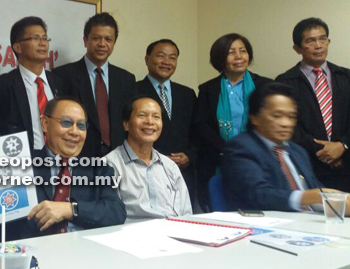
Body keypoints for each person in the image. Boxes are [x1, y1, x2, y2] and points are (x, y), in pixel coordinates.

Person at [222, 82, 350, 214]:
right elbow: (258, 195)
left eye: (291, 117)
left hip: (310, 221)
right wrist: (307, 197)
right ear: (255, 118)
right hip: (266, 225)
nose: (286, 123)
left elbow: (316, 189)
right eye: (277, 116)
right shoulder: (241, 147)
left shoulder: (298, 151)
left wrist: (338, 201)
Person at [24, 97, 126, 237]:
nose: (74, 132)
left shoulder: (98, 169)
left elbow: (116, 212)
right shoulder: (21, 165)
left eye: (81, 126)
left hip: (85, 252)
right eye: (66, 123)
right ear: (45, 124)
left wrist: (71, 209)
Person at [194, 33, 271, 211]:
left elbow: (269, 123)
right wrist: (225, 150)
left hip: (258, 159)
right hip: (218, 161)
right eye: (231, 52)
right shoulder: (208, 89)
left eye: (242, 51)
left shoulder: (265, 85)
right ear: (220, 58)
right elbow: (200, 125)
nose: (239, 57)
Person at [276, 18, 350, 192]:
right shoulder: (285, 82)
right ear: (297, 49)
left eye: (323, 39)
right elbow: (287, 127)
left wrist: (342, 146)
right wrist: (323, 150)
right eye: (310, 41)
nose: (318, 45)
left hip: (347, 163)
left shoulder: (346, 77)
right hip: (308, 166)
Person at [53, 12, 137, 158]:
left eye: (108, 39)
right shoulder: (63, 75)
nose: (102, 44)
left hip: (118, 158)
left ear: (114, 43)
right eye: (96, 38)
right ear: (85, 41)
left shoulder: (126, 79)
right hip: (77, 157)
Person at [105, 96, 192, 220]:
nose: (150, 122)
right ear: (126, 124)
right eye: (142, 115)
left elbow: (186, 212)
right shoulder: (109, 165)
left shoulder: (170, 166)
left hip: (175, 233)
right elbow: (110, 218)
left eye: (156, 117)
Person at [136, 39, 198, 209]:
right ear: (147, 59)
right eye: (161, 56)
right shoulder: (133, 90)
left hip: (182, 173)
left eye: (172, 57)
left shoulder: (187, 93)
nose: (166, 62)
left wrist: (190, 156)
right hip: (146, 171)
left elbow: (197, 132)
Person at [0, 16, 64, 150]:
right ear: (17, 47)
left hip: (59, 160)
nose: (43, 43)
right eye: (35, 38)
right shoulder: (0, 86)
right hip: (22, 163)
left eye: (45, 38)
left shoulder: (60, 83)